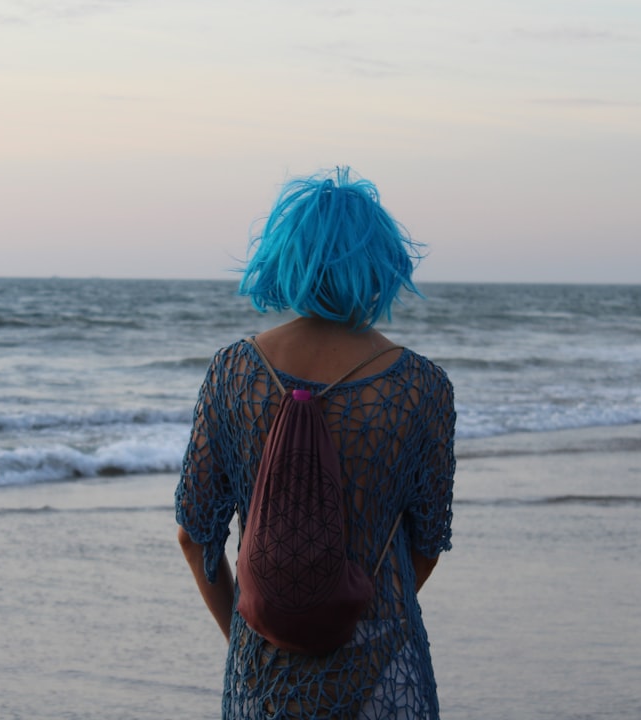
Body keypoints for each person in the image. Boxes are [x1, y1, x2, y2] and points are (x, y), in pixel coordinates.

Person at [175, 167, 456, 719]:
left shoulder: (234, 373)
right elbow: (427, 542)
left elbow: (195, 535)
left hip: (262, 659)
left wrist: (251, 634)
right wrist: (348, 625)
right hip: (384, 662)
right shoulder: (421, 386)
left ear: (285, 257)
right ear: (381, 262)